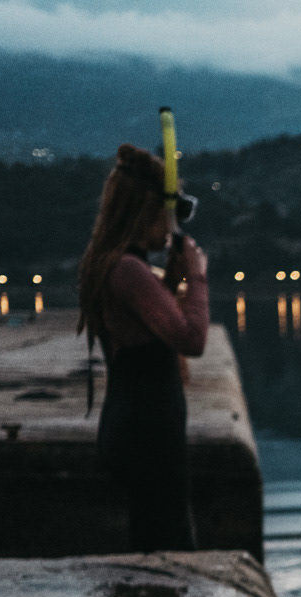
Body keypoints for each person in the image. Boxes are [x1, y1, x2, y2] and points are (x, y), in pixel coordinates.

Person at [77, 143, 209, 551]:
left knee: (152, 544)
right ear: (146, 211)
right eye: (166, 213)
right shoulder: (129, 270)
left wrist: (171, 282)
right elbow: (191, 339)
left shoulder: (113, 264)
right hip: (147, 434)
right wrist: (197, 276)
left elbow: (146, 327)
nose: (171, 226)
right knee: (167, 546)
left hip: (137, 424)